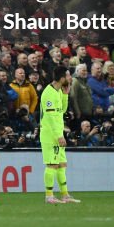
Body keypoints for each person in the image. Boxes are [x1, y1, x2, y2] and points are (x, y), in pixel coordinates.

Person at [40, 66, 79, 204]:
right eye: (68, 76)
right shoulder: (48, 93)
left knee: (62, 164)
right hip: (50, 135)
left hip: (57, 133)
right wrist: (58, 135)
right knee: (52, 165)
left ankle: (65, 195)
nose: (70, 78)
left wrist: (65, 94)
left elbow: (61, 111)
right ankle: (49, 196)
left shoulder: (57, 91)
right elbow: (50, 118)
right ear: (62, 78)